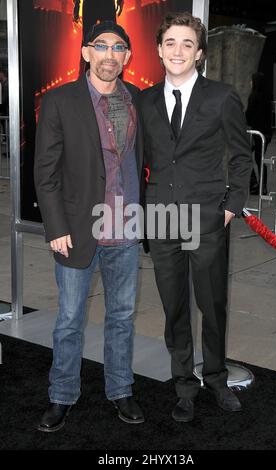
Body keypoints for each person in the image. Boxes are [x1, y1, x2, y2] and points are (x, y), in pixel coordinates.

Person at [140, 11, 252, 422]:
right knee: (174, 306)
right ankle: (184, 383)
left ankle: (218, 378)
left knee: (212, 303)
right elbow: (138, 160)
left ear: (199, 53)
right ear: (159, 50)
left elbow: (242, 156)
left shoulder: (221, 97)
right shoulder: (145, 100)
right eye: (170, 42)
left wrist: (231, 206)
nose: (178, 50)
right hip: (162, 217)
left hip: (206, 217)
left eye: (187, 44)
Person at [34, 20, 145, 432]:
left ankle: (121, 390)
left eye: (118, 49)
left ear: (127, 57)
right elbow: (45, 173)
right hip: (78, 229)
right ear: (86, 53)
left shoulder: (134, 99)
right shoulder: (61, 101)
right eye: (101, 47)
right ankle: (61, 396)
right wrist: (55, 226)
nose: (109, 55)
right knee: (69, 320)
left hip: (127, 227)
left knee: (121, 317)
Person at [246, 72, 272, 195]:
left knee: (247, 156)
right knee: (259, 159)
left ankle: (256, 184)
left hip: (257, 133)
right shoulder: (267, 96)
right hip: (266, 133)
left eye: (252, 80)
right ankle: (261, 186)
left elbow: (249, 114)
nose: (250, 83)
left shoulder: (254, 96)